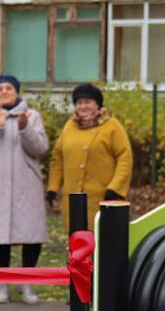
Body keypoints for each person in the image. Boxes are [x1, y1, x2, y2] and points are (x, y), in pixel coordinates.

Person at [0, 74, 49, 305]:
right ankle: (2, 285)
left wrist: (25, 129)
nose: (4, 91)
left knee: (31, 237)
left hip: (26, 185)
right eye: (0, 88)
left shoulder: (32, 116)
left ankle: (27, 284)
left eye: (9, 88)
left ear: (17, 92)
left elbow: (40, 147)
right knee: (0, 237)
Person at [47, 83, 132, 235]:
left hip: (103, 197)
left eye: (88, 102)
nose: (83, 106)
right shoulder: (69, 127)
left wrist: (116, 188)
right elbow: (57, 159)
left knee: (103, 242)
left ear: (97, 104)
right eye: (79, 102)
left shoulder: (112, 126)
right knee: (78, 244)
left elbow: (124, 158)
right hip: (73, 199)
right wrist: (53, 187)